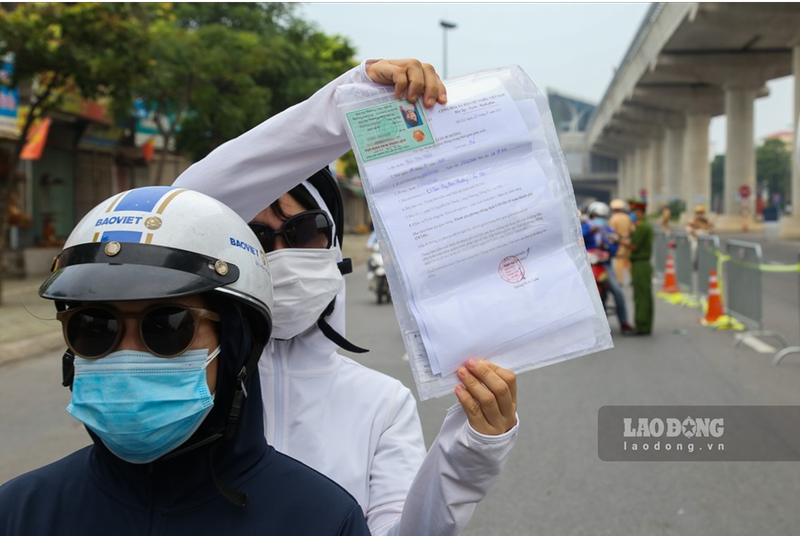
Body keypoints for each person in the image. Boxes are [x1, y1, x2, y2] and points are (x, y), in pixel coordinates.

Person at [174, 58, 519, 536]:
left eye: (303, 231)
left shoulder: (381, 404)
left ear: (334, 246)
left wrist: (469, 455)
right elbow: (186, 200)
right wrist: (345, 103)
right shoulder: (181, 385)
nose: (279, 252)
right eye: (253, 236)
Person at [0, 187, 370, 536]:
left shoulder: (321, 521)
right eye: (95, 327)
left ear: (237, 346)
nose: (127, 354)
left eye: (167, 326)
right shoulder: (20, 513)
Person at [582, 201, 635, 335]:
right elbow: (579, 239)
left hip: (604, 265)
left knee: (617, 290)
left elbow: (614, 245)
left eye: (601, 217)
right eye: (595, 216)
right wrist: (590, 231)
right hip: (587, 265)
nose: (598, 219)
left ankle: (624, 322)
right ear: (591, 216)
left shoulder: (608, 230)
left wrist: (608, 248)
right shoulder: (584, 228)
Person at [622, 200, 654, 336]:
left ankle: (642, 326)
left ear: (640, 212)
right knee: (642, 295)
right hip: (640, 264)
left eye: (634, 211)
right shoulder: (641, 226)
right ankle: (644, 325)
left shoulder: (643, 227)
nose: (632, 214)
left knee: (641, 296)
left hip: (641, 264)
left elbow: (634, 246)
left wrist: (618, 241)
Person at [608, 198, 634, 286]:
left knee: (618, 261)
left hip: (619, 242)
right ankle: (632, 279)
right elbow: (632, 230)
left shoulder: (613, 219)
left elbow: (611, 232)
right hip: (628, 241)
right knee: (629, 261)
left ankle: (620, 281)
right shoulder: (627, 217)